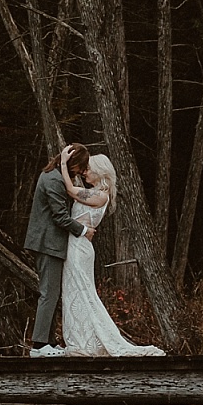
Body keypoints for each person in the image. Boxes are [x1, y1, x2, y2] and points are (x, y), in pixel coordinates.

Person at [56, 152, 165, 356]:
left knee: (83, 292)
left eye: (88, 169)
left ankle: (87, 342)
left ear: (100, 172)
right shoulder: (96, 192)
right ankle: (81, 340)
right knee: (75, 291)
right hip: (76, 244)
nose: (85, 172)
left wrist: (63, 163)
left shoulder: (100, 195)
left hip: (79, 248)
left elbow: (71, 190)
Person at [23, 143, 93, 356]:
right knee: (48, 293)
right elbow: (60, 216)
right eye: (80, 166)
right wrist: (83, 230)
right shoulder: (53, 180)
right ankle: (38, 346)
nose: (81, 171)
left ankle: (48, 341)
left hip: (50, 243)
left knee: (52, 292)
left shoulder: (54, 175)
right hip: (47, 243)